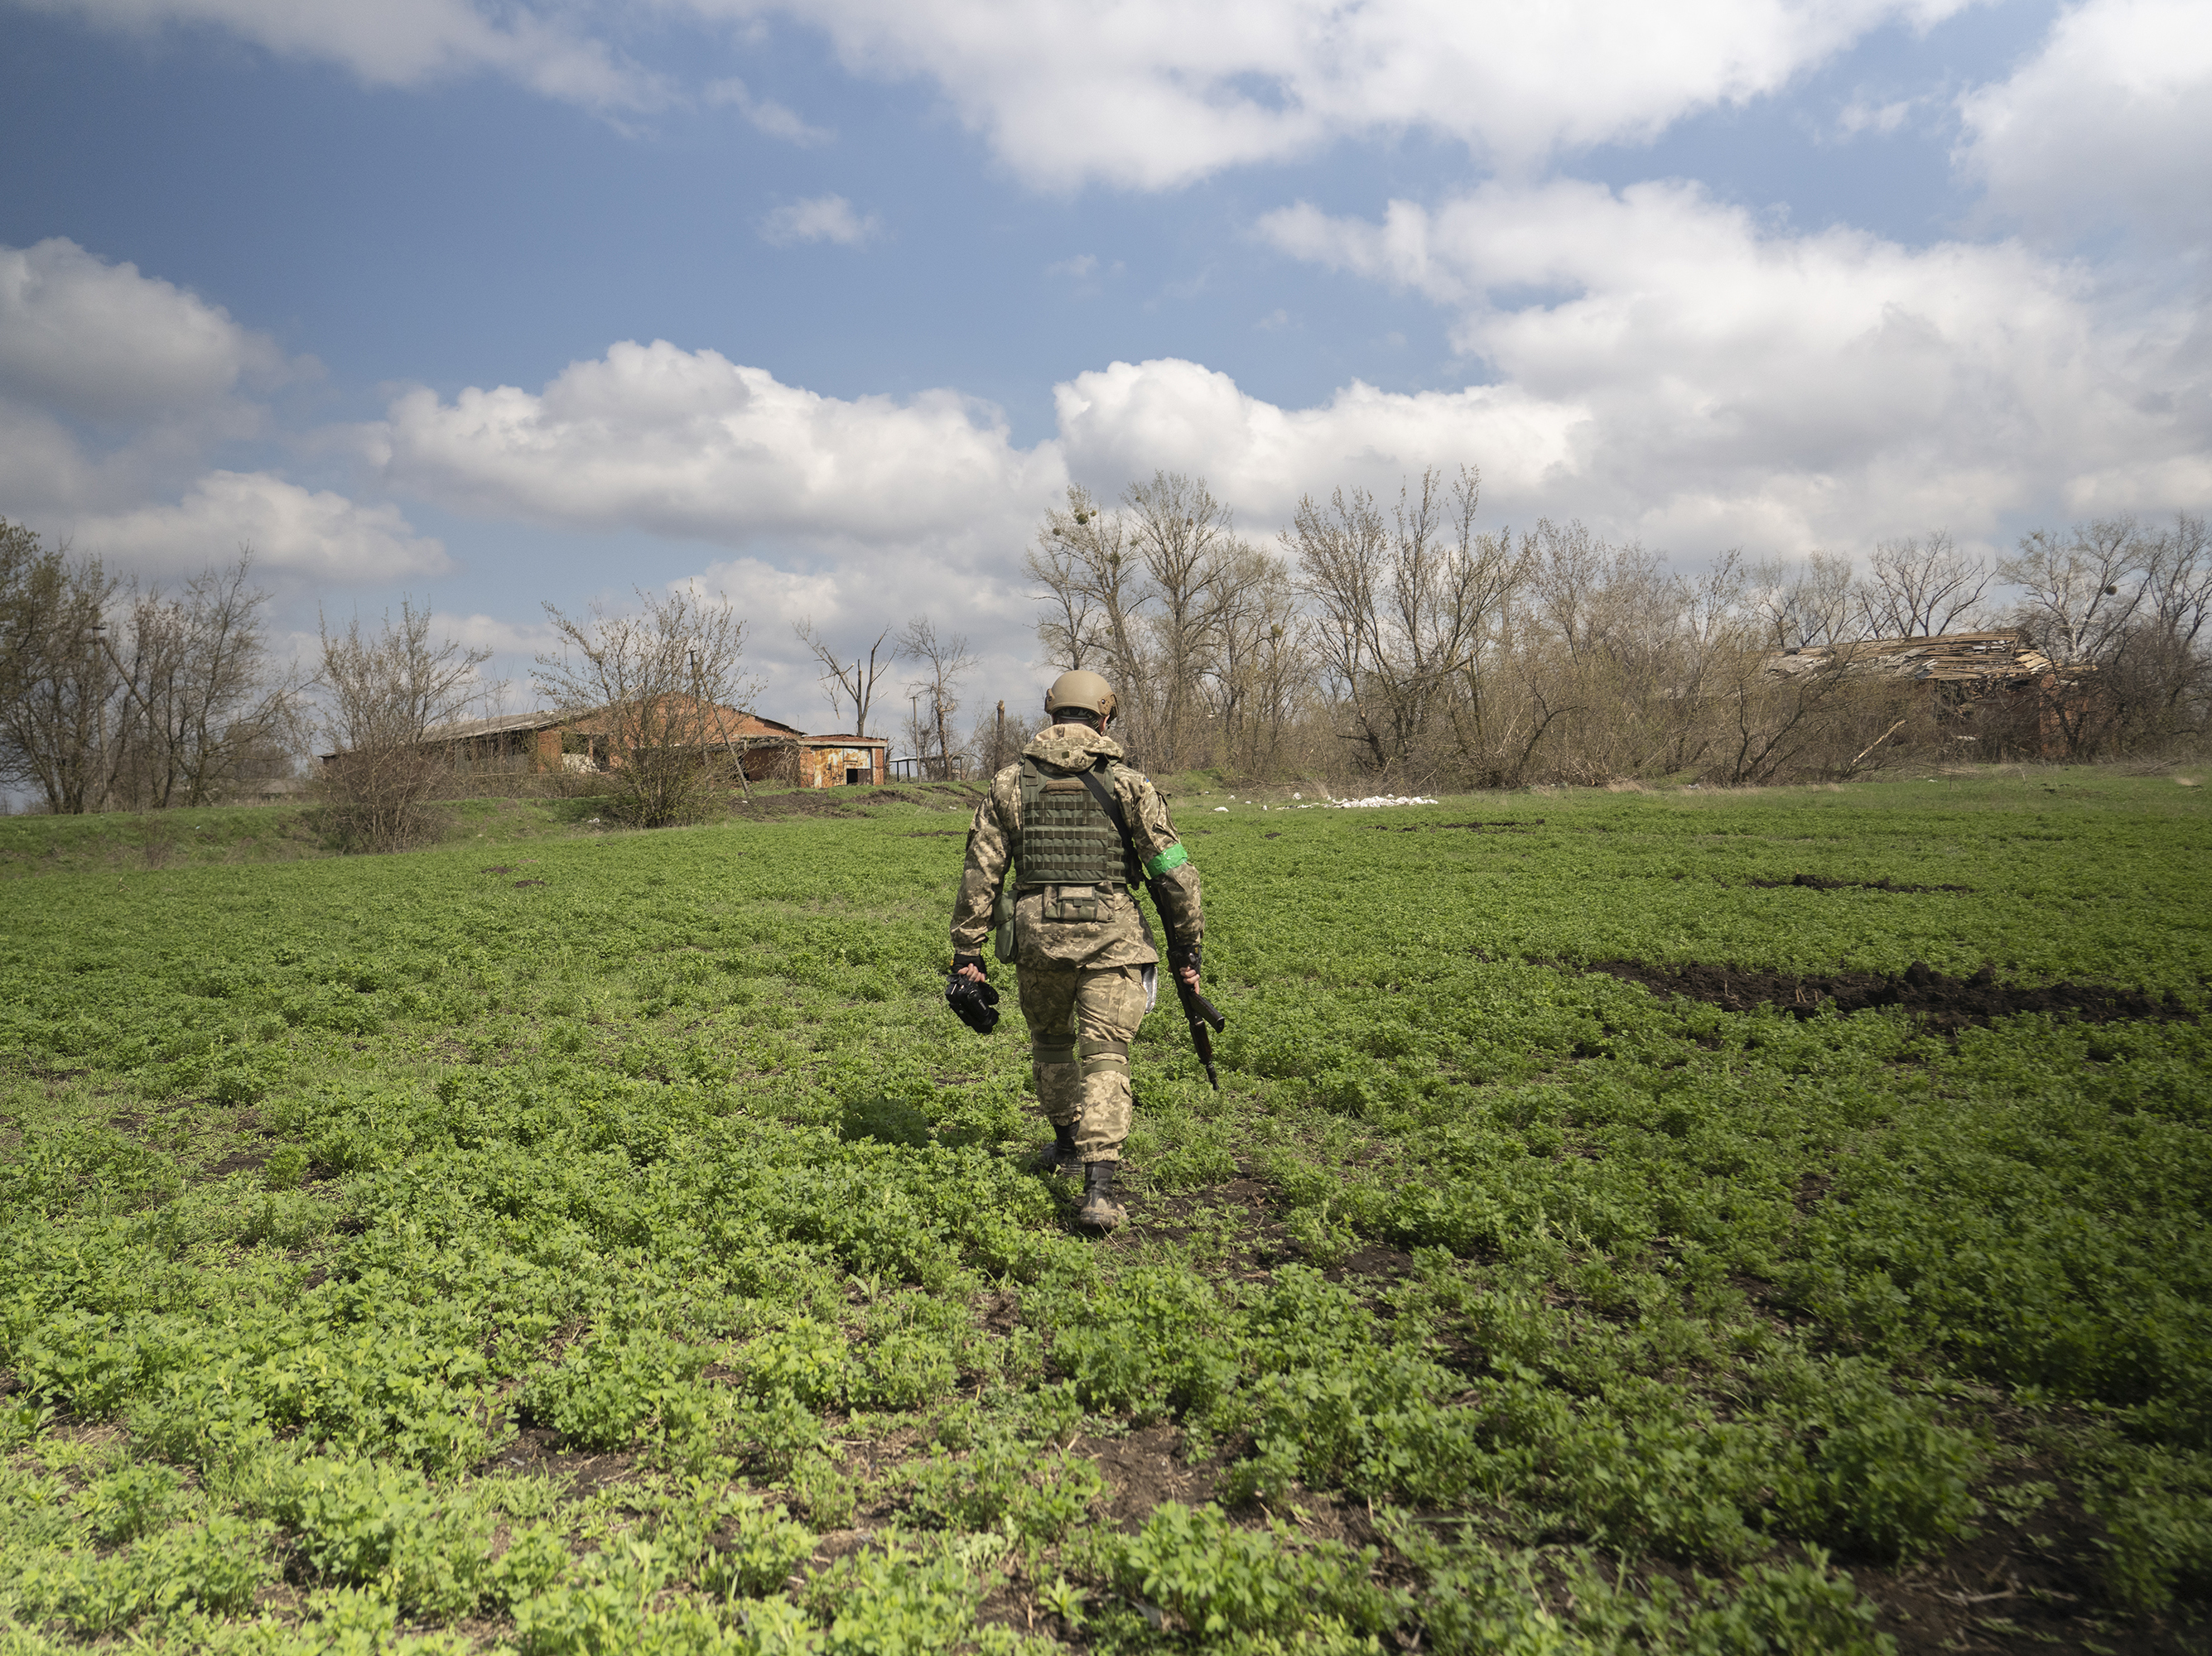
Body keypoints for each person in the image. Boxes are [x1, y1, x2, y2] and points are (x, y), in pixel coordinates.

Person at [949, 670, 1204, 1231]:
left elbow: (981, 874)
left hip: (1037, 938)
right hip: (1112, 938)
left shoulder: (1008, 784)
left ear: (1051, 714)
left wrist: (966, 952)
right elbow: (1172, 871)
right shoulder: (1130, 785)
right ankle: (1099, 1189)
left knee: (1051, 1044)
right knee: (1106, 1054)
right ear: (1104, 716)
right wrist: (1188, 947)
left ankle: (1066, 1146)